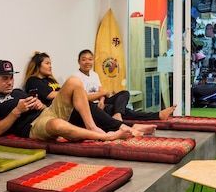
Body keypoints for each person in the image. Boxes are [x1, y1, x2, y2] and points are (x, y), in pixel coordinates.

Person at [0, 59, 153, 142]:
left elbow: (43, 105)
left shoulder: (19, 92)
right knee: (57, 124)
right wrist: (16, 111)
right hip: (33, 127)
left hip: (47, 112)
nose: (9, 82)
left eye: (11, 77)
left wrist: (39, 105)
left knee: (74, 82)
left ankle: (92, 126)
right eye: (4, 78)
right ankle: (105, 137)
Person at [23, 52, 157, 134]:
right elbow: (54, 96)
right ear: (38, 65)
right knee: (92, 107)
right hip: (58, 112)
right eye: (47, 63)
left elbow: (101, 91)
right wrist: (76, 93)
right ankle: (126, 126)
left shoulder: (51, 80)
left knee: (119, 102)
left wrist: (102, 97)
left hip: (78, 105)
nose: (50, 66)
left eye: (50, 63)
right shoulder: (33, 81)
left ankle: (145, 117)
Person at [73, 49, 177, 121]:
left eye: (90, 59)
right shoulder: (76, 77)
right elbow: (84, 98)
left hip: (100, 103)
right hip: (90, 107)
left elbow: (101, 91)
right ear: (79, 61)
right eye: (84, 59)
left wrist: (102, 100)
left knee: (125, 93)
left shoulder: (94, 74)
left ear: (93, 60)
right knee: (123, 110)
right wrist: (102, 94)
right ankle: (157, 115)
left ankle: (117, 114)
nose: (87, 62)